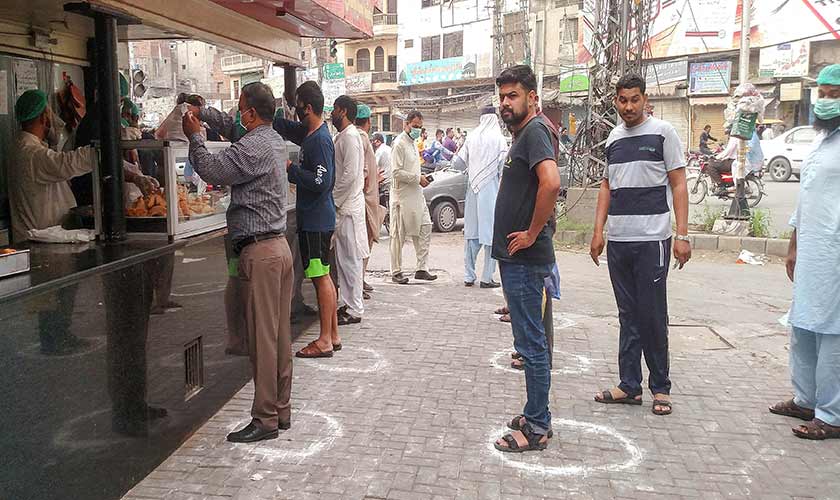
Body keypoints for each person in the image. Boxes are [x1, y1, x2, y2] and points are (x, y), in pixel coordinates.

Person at [183, 82, 293, 443]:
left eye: (241, 108)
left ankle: (265, 419)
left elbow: (212, 170)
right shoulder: (272, 140)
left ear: (251, 113)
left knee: (262, 341)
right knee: (279, 337)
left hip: (261, 253)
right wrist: (203, 111)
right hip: (278, 249)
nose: (237, 115)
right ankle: (281, 409)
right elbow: (231, 127)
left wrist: (195, 137)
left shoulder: (253, 146)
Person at [589, 73, 691, 417]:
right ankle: (629, 385)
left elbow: (679, 184)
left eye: (635, 100)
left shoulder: (664, 133)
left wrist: (682, 235)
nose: (628, 107)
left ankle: (660, 387)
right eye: (623, 100)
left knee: (652, 315)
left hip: (653, 241)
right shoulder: (613, 139)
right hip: (619, 241)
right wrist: (598, 231)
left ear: (645, 99)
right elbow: (607, 186)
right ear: (615, 101)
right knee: (627, 315)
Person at [491, 65, 561, 453]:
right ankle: (535, 412)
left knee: (531, 343)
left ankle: (537, 426)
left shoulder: (534, 131)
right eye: (502, 96)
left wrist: (532, 233)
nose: (506, 102)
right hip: (518, 260)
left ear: (532, 98)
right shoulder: (525, 134)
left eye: (513, 95)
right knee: (528, 341)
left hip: (526, 260)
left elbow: (551, 183)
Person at [769, 64, 840, 441]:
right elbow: (806, 197)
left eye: (834, 95)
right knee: (804, 326)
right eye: (822, 94)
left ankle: (832, 414)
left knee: (833, 333)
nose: (825, 101)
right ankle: (807, 399)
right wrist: (793, 244)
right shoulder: (821, 141)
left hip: (835, 255)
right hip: (813, 253)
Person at [273, 81, 341, 358]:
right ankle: (333, 334)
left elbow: (321, 182)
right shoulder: (311, 134)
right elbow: (291, 129)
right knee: (323, 276)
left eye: (298, 106)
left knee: (320, 277)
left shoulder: (320, 140)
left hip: (316, 222)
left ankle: (324, 340)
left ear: (309, 108)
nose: (296, 111)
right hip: (316, 219)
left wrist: (291, 169)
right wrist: (272, 118)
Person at [330, 95, 369, 325]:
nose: (332, 113)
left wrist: (334, 201)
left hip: (348, 209)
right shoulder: (342, 136)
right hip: (344, 207)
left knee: (351, 260)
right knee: (343, 261)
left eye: (335, 109)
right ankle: (347, 303)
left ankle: (354, 309)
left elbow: (350, 175)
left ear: (343, 111)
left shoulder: (351, 137)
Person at [461, 106, 506, 288]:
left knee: (472, 234)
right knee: (490, 235)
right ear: (495, 119)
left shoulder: (471, 137)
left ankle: (468, 275)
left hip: (473, 188)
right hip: (491, 191)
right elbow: (503, 167)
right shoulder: (499, 139)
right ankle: (487, 278)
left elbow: (459, 161)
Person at [390, 110, 437, 284]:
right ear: (406, 124)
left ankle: (421, 268)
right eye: (415, 126)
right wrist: (417, 179)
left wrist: (421, 178)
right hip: (402, 197)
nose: (418, 130)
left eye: (420, 127)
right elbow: (396, 172)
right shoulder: (399, 144)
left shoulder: (413, 143)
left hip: (416, 195)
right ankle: (396, 271)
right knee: (398, 235)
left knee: (425, 227)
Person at [356, 104, 386, 297]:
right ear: (368, 122)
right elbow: (363, 172)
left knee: (364, 243)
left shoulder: (356, 137)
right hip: (365, 201)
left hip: (367, 198)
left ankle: (360, 280)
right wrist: (371, 181)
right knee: (362, 245)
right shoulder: (362, 138)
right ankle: (357, 284)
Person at [708, 129, 737, 194]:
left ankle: (721, 186)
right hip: (733, 160)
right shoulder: (737, 137)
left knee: (710, 166)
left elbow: (728, 151)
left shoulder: (734, 138)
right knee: (716, 163)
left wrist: (717, 157)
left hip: (733, 161)